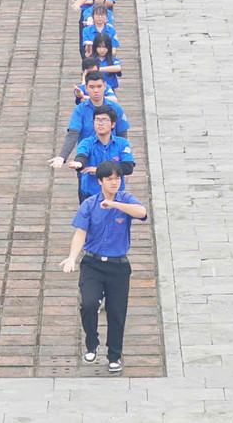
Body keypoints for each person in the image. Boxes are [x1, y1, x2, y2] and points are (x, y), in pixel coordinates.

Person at [59, 159, 147, 373]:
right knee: (89, 304)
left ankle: (114, 356)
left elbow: (141, 212)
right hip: (93, 264)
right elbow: (80, 233)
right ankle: (92, 343)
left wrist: (115, 204)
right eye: (109, 179)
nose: (114, 183)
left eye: (117, 179)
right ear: (100, 181)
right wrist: (72, 257)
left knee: (117, 312)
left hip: (118, 266)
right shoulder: (89, 204)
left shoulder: (126, 199)